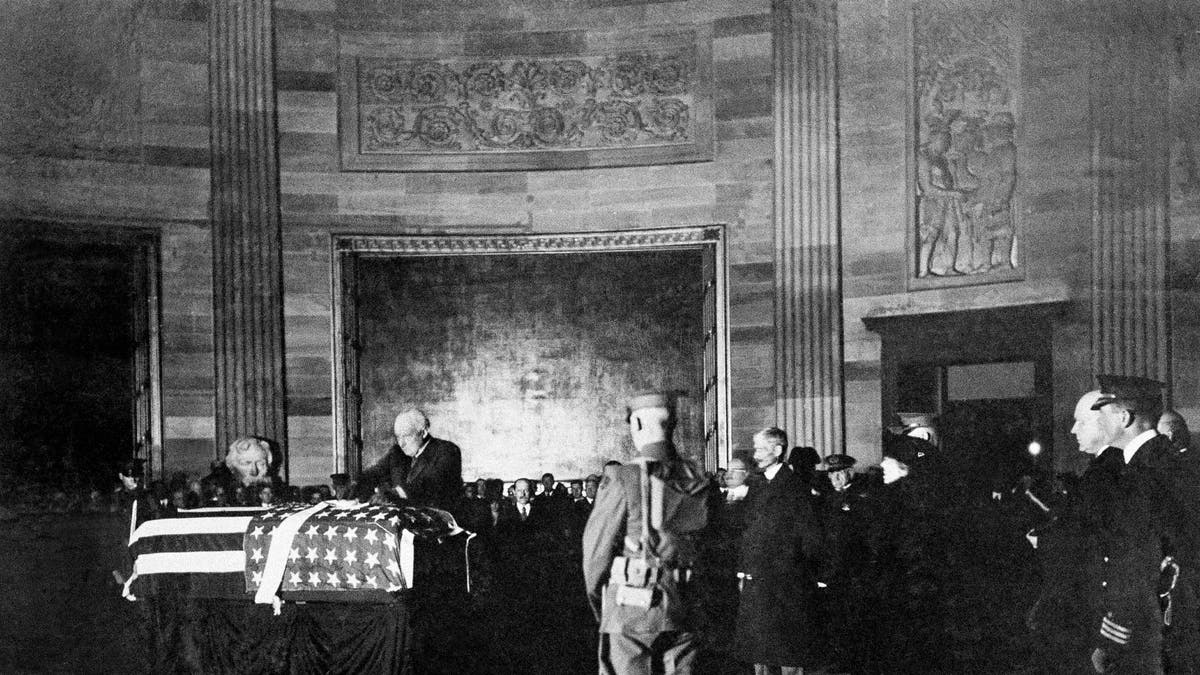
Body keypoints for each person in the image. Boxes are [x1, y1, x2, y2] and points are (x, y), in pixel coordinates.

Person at [582, 392, 711, 675]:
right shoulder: (699, 481)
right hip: (685, 608)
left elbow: (595, 558)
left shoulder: (622, 478)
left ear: (637, 425)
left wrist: (602, 610)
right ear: (673, 424)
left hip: (631, 610)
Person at [734, 427, 822, 675]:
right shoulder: (756, 483)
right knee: (759, 655)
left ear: (778, 450)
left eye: (761, 448)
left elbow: (810, 537)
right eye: (755, 448)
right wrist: (743, 571)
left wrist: (802, 574)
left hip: (786, 584)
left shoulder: (795, 487)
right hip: (757, 580)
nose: (756, 454)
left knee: (787, 655)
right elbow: (748, 532)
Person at [814, 454, 871, 673]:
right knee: (833, 619)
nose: (835, 477)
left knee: (853, 620)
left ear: (850, 472)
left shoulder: (861, 497)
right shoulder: (826, 499)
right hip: (831, 570)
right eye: (831, 473)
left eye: (839, 472)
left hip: (853, 571)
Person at [358, 408, 464, 516]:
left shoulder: (447, 450)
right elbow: (375, 472)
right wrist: (354, 484)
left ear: (423, 432)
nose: (401, 443)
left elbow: (431, 485)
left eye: (406, 436)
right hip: (404, 520)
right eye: (398, 437)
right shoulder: (397, 452)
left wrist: (395, 493)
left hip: (438, 521)